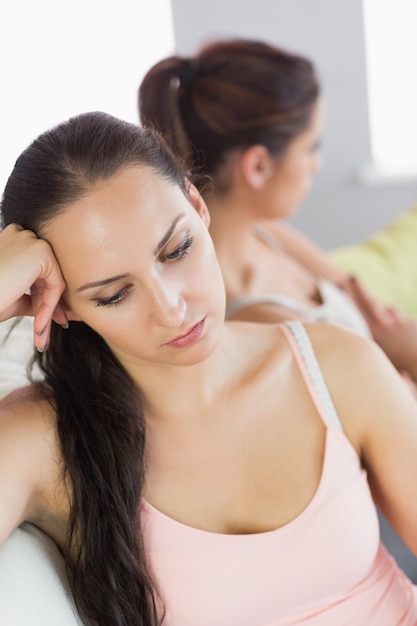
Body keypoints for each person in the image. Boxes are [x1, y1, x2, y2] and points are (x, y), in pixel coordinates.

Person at [1, 111, 417, 626]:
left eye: (178, 249)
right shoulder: (45, 439)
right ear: (60, 305)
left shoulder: (336, 365)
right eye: (114, 294)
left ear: (198, 206)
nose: (172, 308)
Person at [138, 38, 417, 386]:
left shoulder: (264, 231)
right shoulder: (262, 321)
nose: (317, 164)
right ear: (257, 166)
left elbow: (360, 298)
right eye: (311, 147)